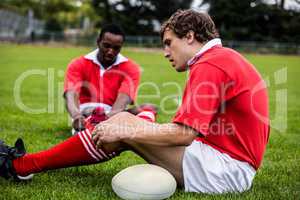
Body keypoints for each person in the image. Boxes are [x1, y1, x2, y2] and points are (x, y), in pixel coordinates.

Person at [0, 10, 270, 194]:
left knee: (123, 124)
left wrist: (126, 129)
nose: (165, 52)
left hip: (226, 170)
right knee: (122, 124)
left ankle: (22, 165)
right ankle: (26, 164)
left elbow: (184, 134)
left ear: (189, 36)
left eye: (168, 43)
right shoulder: (221, 59)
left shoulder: (212, 64)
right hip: (223, 162)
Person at [64, 24, 156, 133]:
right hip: (84, 111)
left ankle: (99, 124)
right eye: (106, 46)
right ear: (98, 42)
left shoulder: (131, 68)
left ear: (121, 46)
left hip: (112, 112)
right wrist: (76, 116)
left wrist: (108, 117)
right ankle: (89, 124)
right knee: (92, 111)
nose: (110, 51)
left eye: (116, 48)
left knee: (149, 108)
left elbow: (123, 99)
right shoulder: (78, 63)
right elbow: (71, 94)